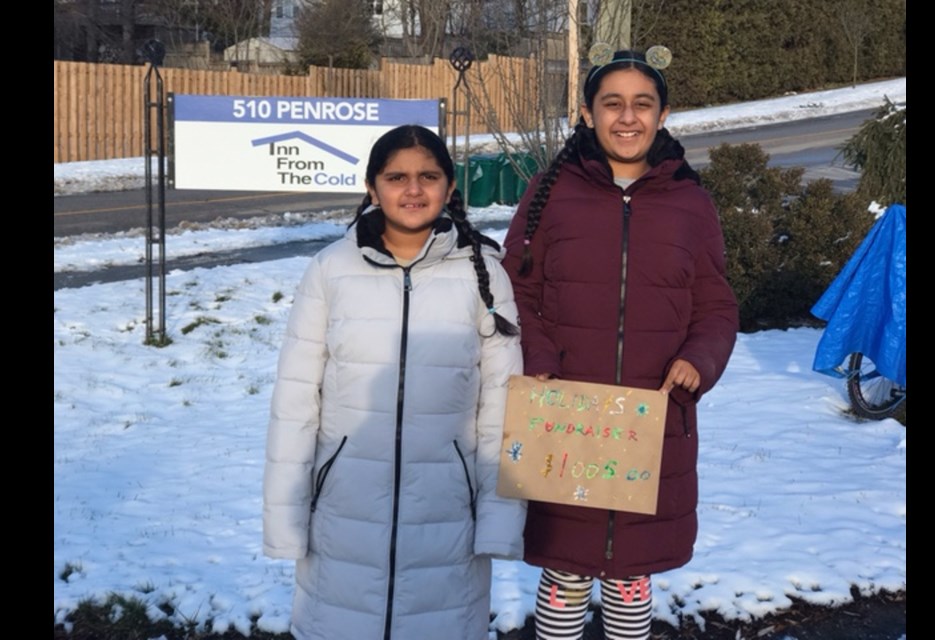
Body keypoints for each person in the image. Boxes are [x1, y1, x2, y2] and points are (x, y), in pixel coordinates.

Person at [502, 49, 739, 640]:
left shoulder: (691, 202)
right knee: (564, 572)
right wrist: (539, 362)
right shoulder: (549, 192)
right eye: (612, 103)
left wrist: (699, 361)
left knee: (632, 576)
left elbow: (716, 304)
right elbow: (515, 292)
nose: (627, 117)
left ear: (662, 115)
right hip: (567, 420)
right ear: (587, 113)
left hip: (653, 421)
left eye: (642, 104)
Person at [263, 124, 527, 640]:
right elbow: (295, 401)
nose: (413, 190)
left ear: (451, 188)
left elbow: (503, 405)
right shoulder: (330, 271)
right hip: (344, 514)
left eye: (428, 176)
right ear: (371, 187)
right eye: (396, 177)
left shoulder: (483, 273)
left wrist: (498, 518)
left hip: (447, 515)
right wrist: (286, 519)